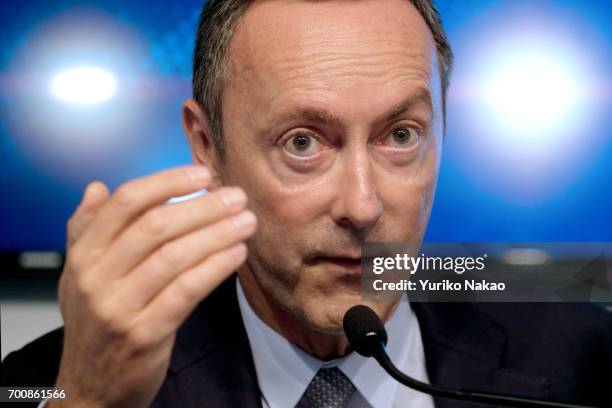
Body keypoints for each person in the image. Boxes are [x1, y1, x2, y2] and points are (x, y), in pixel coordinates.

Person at [2, 0, 611, 407]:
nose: (362, 206)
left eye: (401, 135)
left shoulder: (585, 352)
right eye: (303, 143)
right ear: (207, 147)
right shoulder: (50, 381)